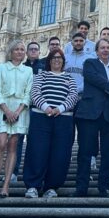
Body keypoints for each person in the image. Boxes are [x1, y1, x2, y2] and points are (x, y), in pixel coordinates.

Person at [22, 48, 79, 198]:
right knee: (37, 150)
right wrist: (46, 107)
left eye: (59, 58)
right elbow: (35, 92)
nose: (57, 60)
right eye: (54, 58)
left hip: (63, 118)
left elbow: (73, 95)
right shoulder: (42, 76)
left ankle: (51, 186)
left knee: (60, 153)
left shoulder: (69, 78)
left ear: (63, 61)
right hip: (41, 117)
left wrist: (60, 108)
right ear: (49, 61)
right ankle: (33, 185)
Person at [74, 37, 109, 197]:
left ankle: (104, 186)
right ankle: (81, 187)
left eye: (108, 47)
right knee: (85, 151)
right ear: (97, 51)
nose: (105, 50)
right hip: (90, 113)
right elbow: (96, 80)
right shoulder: (90, 64)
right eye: (102, 47)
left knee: (108, 152)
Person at [0, 39, 33, 199]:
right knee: (0, 145)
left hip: (19, 110)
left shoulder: (28, 71)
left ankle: (5, 186)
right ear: (11, 52)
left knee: (13, 147)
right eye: (17, 49)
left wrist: (18, 111)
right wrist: (7, 110)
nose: (20, 52)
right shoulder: (1, 68)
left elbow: (28, 93)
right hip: (1, 109)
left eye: (22, 49)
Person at [13, 41, 46, 180]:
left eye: (36, 49)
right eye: (31, 49)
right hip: (21, 108)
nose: (33, 51)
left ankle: (31, 172)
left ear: (39, 52)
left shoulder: (44, 67)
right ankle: (13, 171)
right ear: (27, 52)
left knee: (34, 141)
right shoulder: (20, 67)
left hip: (37, 108)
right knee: (17, 140)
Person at [64, 32, 95, 97]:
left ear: (85, 43)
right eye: (76, 41)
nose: (78, 43)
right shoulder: (64, 57)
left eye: (81, 41)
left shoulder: (90, 58)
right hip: (65, 93)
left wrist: (77, 90)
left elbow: (90, 78)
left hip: (82, 95)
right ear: (72, 43)